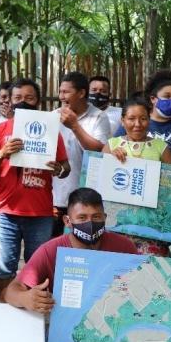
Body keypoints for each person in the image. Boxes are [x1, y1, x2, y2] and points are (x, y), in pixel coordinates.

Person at [3, 187, 163, 342]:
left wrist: (123, 333)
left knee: (161, 329)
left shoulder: (124, 247)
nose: (90, 223)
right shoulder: (51, 250)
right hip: (70, 334)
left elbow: (140, 292)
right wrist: (25, 297)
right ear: (68, 221)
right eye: (82, 218)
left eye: (96, 217)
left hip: (114, 325)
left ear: (105, 218)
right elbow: (12, 290)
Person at [0, 78, 70, 301]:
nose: (24, 102)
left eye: (29, 98)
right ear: (9, 102)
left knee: (38, 266)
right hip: (5, 212)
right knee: (2, 267)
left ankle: (33, 312)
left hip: (40, 213)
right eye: (18, 98)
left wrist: (59, 169)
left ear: (38, 102)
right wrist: (3, 152)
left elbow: (66, 168)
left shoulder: (52, 132)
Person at [102, 97, 171, 256]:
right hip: (116, 224)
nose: (137, 124)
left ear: (149, 120)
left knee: (147, 272)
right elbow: (97, 181)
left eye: (143, 119)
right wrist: (109, 160)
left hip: (150, 226)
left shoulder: (160, 147)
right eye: (131, 119)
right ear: (122, 120)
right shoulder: (112, 145)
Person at [52, 72, 111, 236]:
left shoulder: (99, 117)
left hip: (85, 201)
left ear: (82, 93)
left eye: (66, 92)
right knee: (52, 250)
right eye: (60, 92)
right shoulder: (53, 117)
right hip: (55, 199)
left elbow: (99, 151)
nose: (62, 97)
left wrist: (75, 126)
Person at [115, 69, 171, 166]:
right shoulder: (135, 124)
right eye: (167, 96)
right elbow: (112, 148)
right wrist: (115, 152)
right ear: (153, 99)